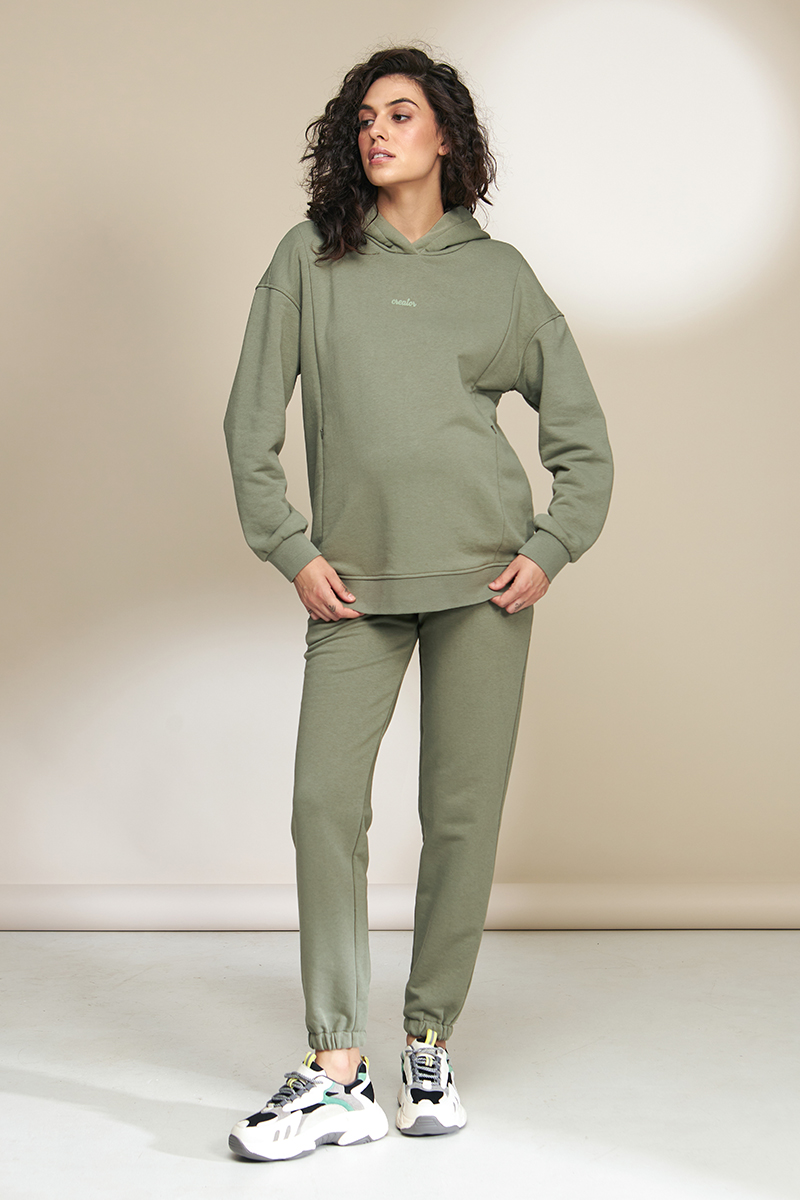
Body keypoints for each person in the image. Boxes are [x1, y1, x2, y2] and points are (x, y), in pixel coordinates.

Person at [223, 45, 613, 1162]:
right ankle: (337, 1067)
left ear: (445, 135)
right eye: (362, 118)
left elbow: (583, 445)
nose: (375, 131)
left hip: (484, 583)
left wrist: (550, 545)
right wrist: (291, 548)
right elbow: (248, 428)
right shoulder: (310, 258)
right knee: (323, 806)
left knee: (460, 817)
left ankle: (428, 1036)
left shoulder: (500, 275)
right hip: (353, 585)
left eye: (400, 114)